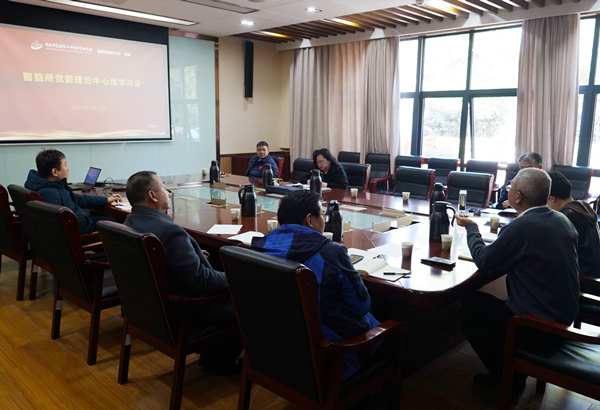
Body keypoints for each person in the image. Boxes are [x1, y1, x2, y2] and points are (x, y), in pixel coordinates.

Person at [456, 167, 579, 390]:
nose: (508, 191)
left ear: (518, 197)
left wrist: (472, 228)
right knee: (476, 301)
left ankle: (508, 378)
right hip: (564, 314)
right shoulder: (562, 219)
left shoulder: (522, 226)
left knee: (471, 316)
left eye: (510, 188)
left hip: (536, 322)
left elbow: (484, 260)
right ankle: (512, 364)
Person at [251, 190, 379, 381]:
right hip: (326, 352)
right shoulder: (332, 253)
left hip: (274, 346)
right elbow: (361, 307)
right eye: (323, 215)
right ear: (309, 220)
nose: (324, 221)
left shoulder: (259, 247)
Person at [123, 171, 242, 374]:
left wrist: (192, 253)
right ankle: (220, 362)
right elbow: (201, 280)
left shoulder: (130, 223)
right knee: (249, 300)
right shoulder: (169, 232)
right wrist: (237, 279)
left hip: (152, 309)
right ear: (153, 195)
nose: (168, 192)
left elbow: (164, 261)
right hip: (186, 311)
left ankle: (212, 356)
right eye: (164, 188)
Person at [25, 149, 121, 235]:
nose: (68, 168)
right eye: (65, 165)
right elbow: (58, 228)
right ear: (55, 172)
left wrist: (106, 200)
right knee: (119, 227)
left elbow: (78, 199)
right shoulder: (49, 194)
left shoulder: (52, 185)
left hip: (83, 225)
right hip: (81, 235)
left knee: (115, 221)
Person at [548, 170, 600, 293]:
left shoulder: (566, 217)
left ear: (551, 198)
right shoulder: (582, 206)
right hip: (592, 274)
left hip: (582, 282)